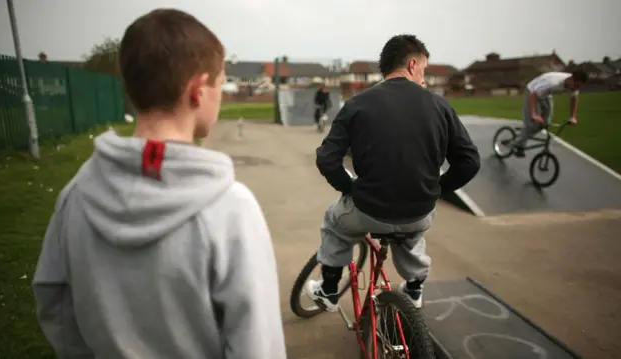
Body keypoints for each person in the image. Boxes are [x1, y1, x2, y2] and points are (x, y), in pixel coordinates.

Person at [32, 9, 286, 359]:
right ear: (198, 90)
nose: (222, 94)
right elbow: (258, 345)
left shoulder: (74, 197)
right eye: (219, 82)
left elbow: (55, 304)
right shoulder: (231, 208)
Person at [305, 34, 480, 311]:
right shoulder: (440, 106)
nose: (423, 79)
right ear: (412, 64)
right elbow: (469, 162)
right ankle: (413, 287)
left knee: (333, 222)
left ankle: (328, 291)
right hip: (418, 210)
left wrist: (350, 189)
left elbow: (327, 159)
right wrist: (436, 190)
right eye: (424, 70)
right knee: (412, 233)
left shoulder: (357, 104)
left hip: (368, 209)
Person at [511, 70, 589, 157]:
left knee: (545, 123)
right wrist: (534, 114)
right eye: (576, 86)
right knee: (532, 123)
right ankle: (518, 143)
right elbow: (533, 95)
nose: (576, 89)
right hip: (532, 91)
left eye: (579, 87)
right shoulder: (553, 83)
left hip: (546, 94)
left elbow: (574, 98)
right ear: (571, 79)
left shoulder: (574, 85)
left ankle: (522, 134)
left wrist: (572, 116)